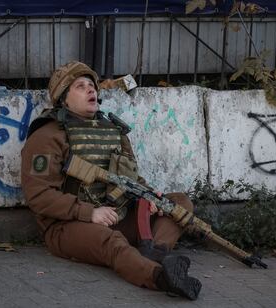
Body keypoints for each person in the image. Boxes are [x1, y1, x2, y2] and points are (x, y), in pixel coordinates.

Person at [21, 61, 202, 300]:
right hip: (67, 226)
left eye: (92, 85)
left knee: (178, 203)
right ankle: (159, 277)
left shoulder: (113, 131)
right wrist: (89, 213)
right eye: (80, 86)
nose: (90, 90)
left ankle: (153, 253)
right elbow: (39, 196)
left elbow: (131, 177)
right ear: (64, 99)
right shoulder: (47, 136)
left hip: (119, 214)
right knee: (112, 242)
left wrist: (150, 196)